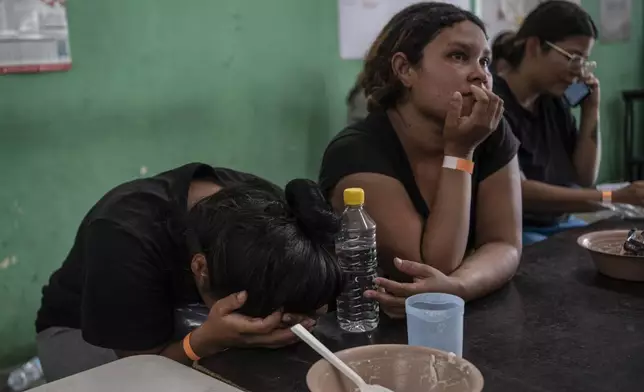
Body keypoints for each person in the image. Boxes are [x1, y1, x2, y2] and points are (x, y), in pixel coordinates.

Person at [35, 163, 342, 381]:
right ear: (200, 268)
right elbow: (139, 370)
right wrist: (201, 342)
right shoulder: (125, 236)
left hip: (186, 314)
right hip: (85, 333)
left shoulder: (268, 208)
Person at [319, 3, 522, 318]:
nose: (480, 74)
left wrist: (461, 287)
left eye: (485, 60)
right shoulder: (357, 152)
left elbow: (505, 244)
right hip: (371, 328)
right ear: (405, 70)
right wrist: (459, 154)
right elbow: (429, 269)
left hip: (455, 317)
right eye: (458, 56)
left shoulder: (489, 132)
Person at [493, 0, 644, 244]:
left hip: (560, 223)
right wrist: (612, 196)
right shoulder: (494, 102)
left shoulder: (553, 99)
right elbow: (520, 191)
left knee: (617, 243)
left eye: (584, 62)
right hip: (514, 231)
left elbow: (583, 179)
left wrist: (590, 109)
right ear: (533, 46)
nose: (579, 71)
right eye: (573, 58)